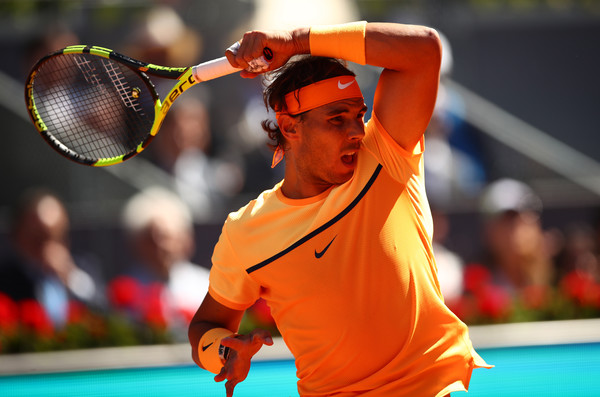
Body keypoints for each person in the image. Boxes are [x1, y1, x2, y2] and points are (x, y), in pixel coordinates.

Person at [188, 21, 491, 397]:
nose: (356, 131)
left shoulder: (386, 154)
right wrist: (221, 351)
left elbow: (424, 50)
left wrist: (297, 42)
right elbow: (205, 326)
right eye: (336, 119)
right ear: (289, 126)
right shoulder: (246, 230)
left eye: (357, 114)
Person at [0, 189, 104, 327]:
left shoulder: (84, 268)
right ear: (17, 235)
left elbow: (105, 311)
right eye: (38, 239)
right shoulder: (5, 279)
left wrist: (71, 277)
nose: (47, 247)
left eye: (57, 237)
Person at [118, 187, 210, 336]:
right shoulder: (126, 290)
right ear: (137, 244)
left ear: (185, 238)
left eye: (167, 237)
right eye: (151, 240)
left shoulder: (207, 285)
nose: (162, 247)